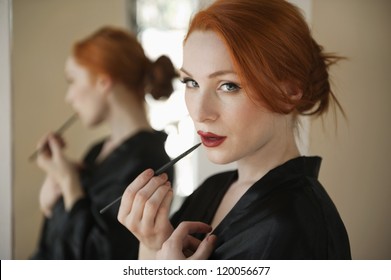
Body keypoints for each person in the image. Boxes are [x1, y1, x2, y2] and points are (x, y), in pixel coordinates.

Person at [117, 0, 351, 260]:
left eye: (228, 86)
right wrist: (152, 243)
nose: (200, 112)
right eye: (191, 82)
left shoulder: (295, 224)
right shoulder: (212, 189)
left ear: (290, 92)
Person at [31, 26, 176, 259]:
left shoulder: (150, 163)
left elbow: (100, 258)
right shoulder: (97, 151)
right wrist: (51, 200)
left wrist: (69, 184)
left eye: (72, 80)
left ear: (102, 81)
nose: (69, 97)